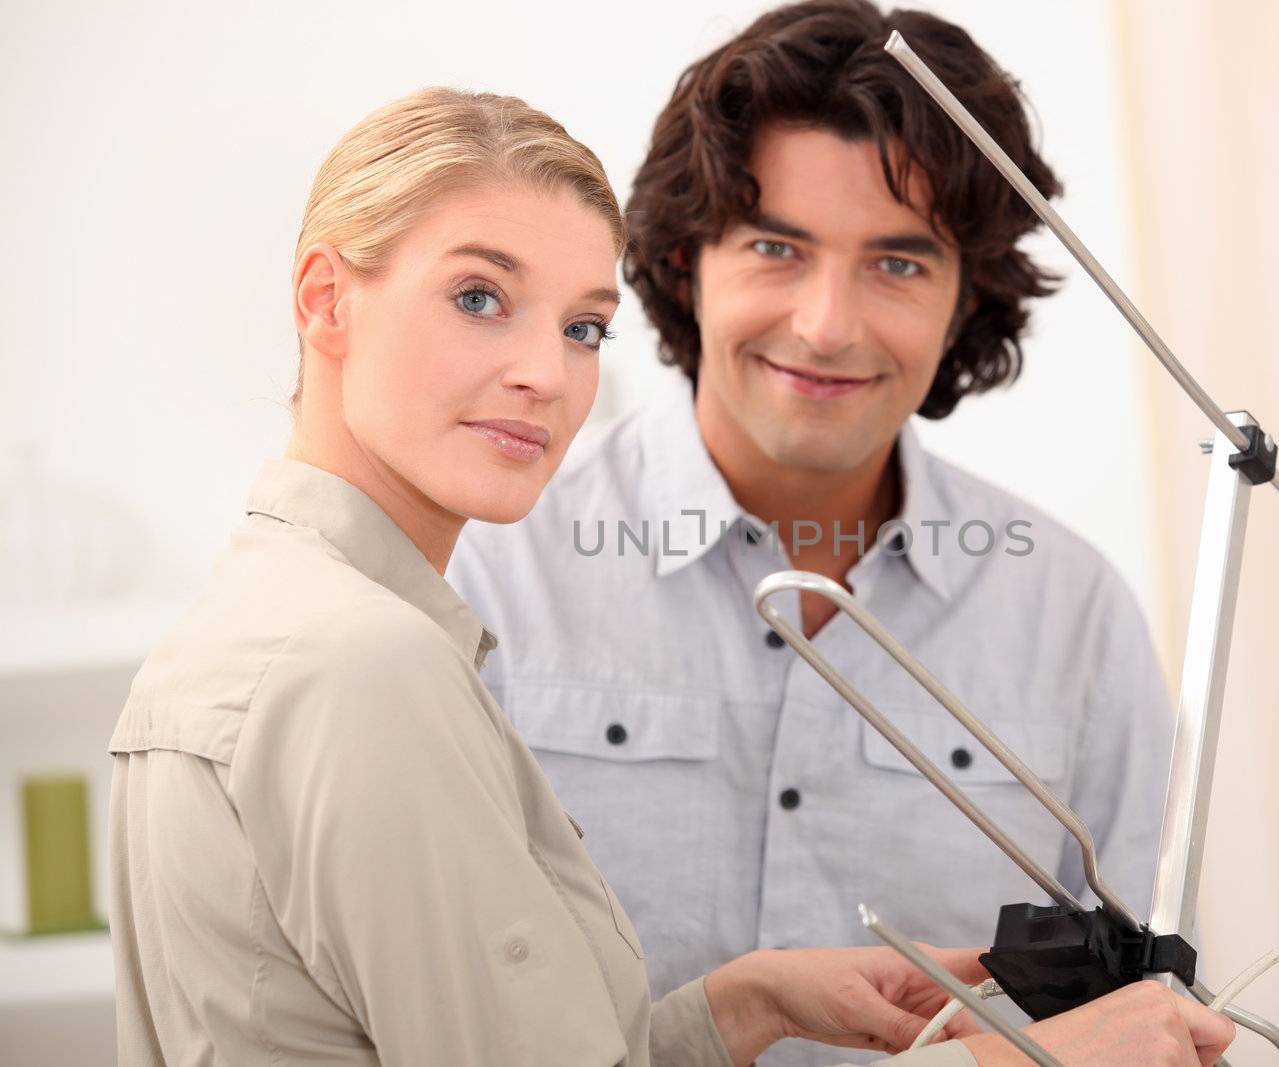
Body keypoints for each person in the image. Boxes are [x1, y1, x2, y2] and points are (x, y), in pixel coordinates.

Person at [105, 87, 1233, 1067]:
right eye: (478, 297)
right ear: (323, 297)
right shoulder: (373, 654)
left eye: (583, 327)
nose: (543, 374)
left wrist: (737, 1005)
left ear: (963, 297)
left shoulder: (292, 622)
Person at [448, 4, 1178, 1063]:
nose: (828, 324)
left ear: (966, 295)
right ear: (684, 259)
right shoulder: (491, 569)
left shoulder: (1075, 617)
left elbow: (1135, 1011)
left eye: (898, 262)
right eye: (776, 246)